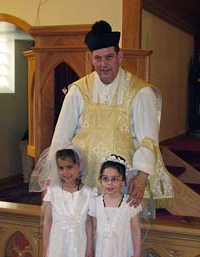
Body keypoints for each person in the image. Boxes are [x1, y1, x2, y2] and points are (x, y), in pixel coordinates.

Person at [46, 20, 173, 211]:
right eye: (98, 58)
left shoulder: (140, 92)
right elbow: (61, 138)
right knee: (86, 235)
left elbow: (148, 140)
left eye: (109, 57)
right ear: (90, 58)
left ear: (120, 56)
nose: (103, 64)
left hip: (123, 182)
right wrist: (54, 178)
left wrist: (141, 177)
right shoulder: (78, 91)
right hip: (84, 181)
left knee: (119, 236)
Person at [38, 145, 95, 257]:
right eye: (61, 168)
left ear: (79, 166)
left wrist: (90, 248)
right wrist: (45, 246)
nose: (65, 172)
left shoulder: (88, 193)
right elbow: (47, 222)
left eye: (69, 167)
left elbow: (89, 224)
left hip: (80, 244)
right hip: (57, 245)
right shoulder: (52, 192)